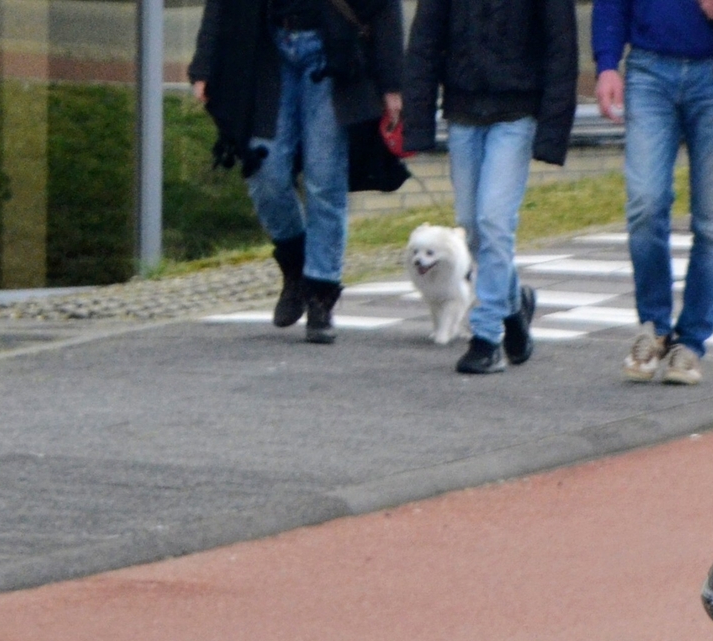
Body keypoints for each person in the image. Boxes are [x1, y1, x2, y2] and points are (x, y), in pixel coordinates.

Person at [192, 0, 404, 343]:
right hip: (269, 51)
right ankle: (295, 266)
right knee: (264, 168)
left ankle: (322, 291)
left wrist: (392, 83)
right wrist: (204, 65)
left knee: (325, 177)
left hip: (331, 52)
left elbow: (384, 6)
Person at [402, 0, 575, 374]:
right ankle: (513, 308)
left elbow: (561, 46)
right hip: (463, 109)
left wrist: (553, 129)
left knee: (494, 220)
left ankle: (486, 335)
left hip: (517, 109)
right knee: (472, 224)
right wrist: (416, 122)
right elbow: (425, 38)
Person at [594, 0, 713, 385]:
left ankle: (691, 342)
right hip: (649, 69)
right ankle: (654, 327)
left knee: (712, 221)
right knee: (645, 203)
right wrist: (607, 63)